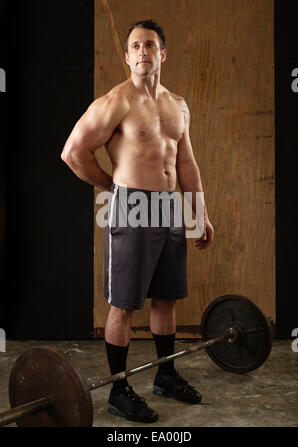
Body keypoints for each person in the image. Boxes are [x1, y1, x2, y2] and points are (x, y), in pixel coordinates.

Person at [61, 19, 214, 423]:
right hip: (132, 207)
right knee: (124, 304)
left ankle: (165, 375)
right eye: (135, 46)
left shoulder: (177, 104)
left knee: (166, 298)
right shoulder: (115, 102)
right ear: (127, 56)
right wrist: (112, 185)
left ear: (162, 54)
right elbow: (73, 152)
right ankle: (119, 390)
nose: (142, 51)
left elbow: (186, 163)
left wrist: (200, 212)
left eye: (150, 45)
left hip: (169, 208)